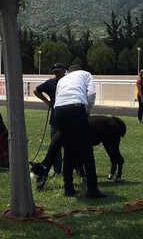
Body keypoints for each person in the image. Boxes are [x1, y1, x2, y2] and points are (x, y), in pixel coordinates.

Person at [53, 64, 107, 198]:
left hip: (59, 110)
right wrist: (87, 111)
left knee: (69, 149)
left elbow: (58, 96)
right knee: (86, 150)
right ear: (79, 70)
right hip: (76, 107)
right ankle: (92, 188)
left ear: (68, 71)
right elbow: (92, 93)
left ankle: (68, 188)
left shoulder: (62, 80)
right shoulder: (86, 74)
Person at [33, 62, 66, 176]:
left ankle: (76, 169)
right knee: (55, 145)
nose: (57, 74)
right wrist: (47, 102)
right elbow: (36, 91)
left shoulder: (69, 82)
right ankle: (57, 170)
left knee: (71, 144)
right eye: (55, 72)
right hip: (55, 118)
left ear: (64, 71)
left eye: (59, 72)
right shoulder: (50, 83)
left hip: (68, 117)